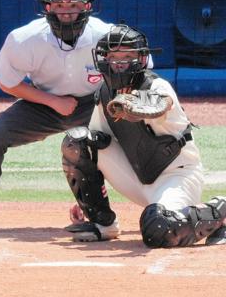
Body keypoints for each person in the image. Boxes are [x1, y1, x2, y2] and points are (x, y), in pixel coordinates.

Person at [0, 0, 113, 232]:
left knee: (136, 133)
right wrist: (52, 101)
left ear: (87, 7)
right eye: (60, 5)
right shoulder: (25, 38)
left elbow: (132, 74)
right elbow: (6, 82)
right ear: (47, 8)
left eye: (73, 5)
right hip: (43, 103)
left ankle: (120, 206)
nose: (67, 12)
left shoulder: (105, 35)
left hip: (94, 104)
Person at [61, 24, 226, 246]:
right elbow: (95, 142)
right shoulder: (104, 92)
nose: (119, 62)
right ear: (104, 59)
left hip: (176, 177)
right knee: (78, 141)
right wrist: (88, 199)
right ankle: (104, 224)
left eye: (127, 55)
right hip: (137, 176)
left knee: (159, 229)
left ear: (140, 59)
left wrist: (137, 107)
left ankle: (219, 211)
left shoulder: (157, 85)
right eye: (113, 56)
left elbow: (162, 102)